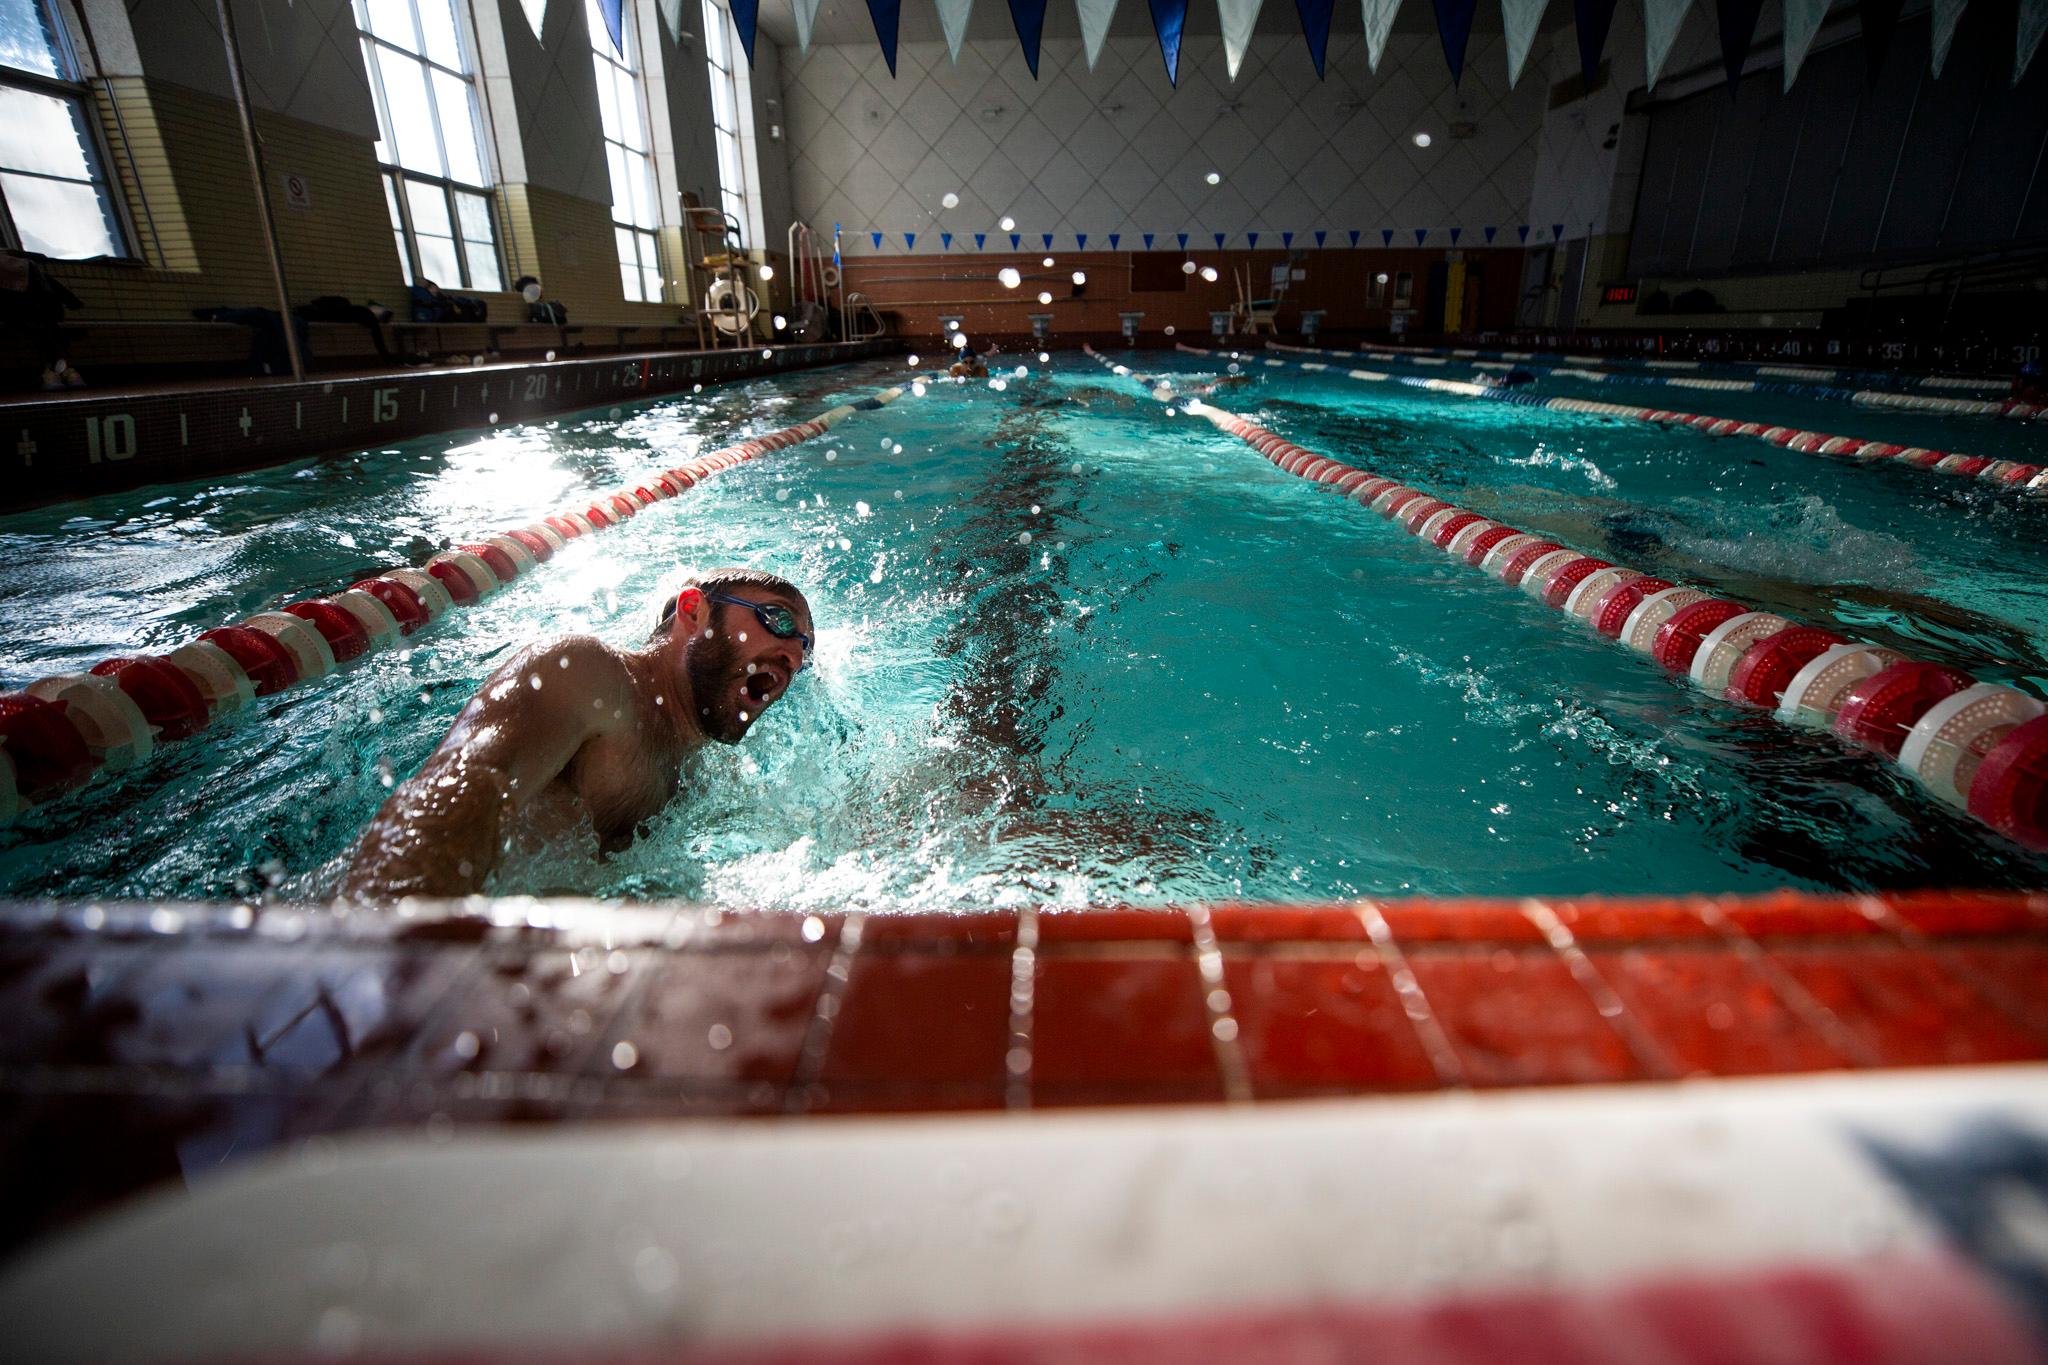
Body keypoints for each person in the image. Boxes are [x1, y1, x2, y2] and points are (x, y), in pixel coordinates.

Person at [339, 569, 813, 900]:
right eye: (780, 620)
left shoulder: (703, 774)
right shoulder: (588, 676)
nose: (794, 653)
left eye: (804, 647)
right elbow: (453, 797)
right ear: (693, 611)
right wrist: (394, 956)